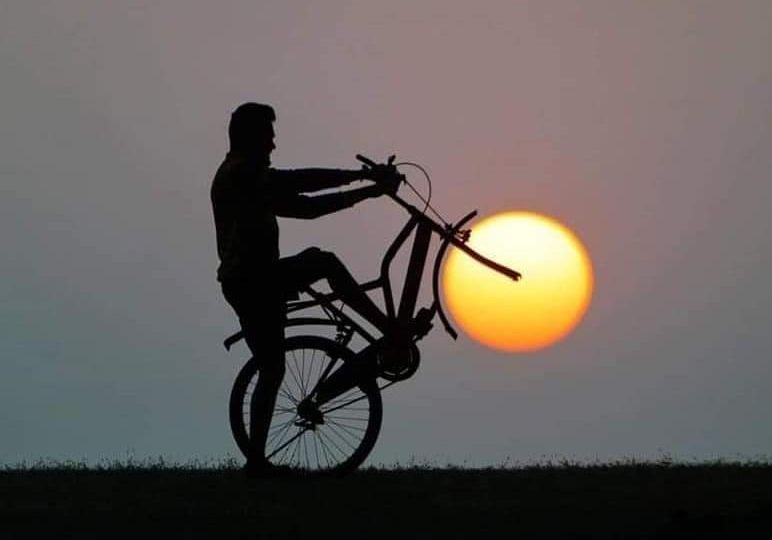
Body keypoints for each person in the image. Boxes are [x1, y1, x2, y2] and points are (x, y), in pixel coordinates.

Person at [211, 102, 400, 476]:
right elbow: (301, 189)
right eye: (268, 138)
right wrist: (365, 184)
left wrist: (362, 184)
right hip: (253, 281)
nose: (273, 146)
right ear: (251, 139)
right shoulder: (242, 174)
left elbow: (302, 196)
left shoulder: (245, 175)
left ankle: (255, 462)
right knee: (322, 263)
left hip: (250, 280)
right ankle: (389, 329)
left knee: (272, 368)